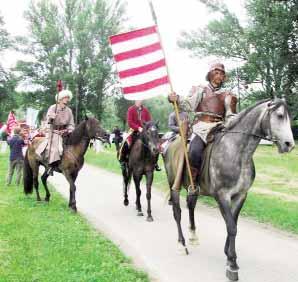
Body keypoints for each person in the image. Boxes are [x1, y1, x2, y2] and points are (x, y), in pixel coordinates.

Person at [168, 63, 237, 193]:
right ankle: (193, 183)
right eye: (217, 73)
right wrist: (176, 98)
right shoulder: (200, 90)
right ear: (210, 74)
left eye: (222, 74)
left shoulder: (228, 94)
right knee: (194, 151)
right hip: (201, 128)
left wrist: (232, 123)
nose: (219, 76)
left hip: (219, 127)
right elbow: (188, 105)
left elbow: (230, 115)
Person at [36, 89, 75, 175]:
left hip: (65, 133)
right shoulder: (53, 107)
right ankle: (51, 166)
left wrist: (69, 129)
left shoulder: (69, 110)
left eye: (68, 98)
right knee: (58, 149)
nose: (67, 99)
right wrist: (51, 118)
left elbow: (71, 124)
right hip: (54, 132)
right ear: (60, 98)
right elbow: (48, 121)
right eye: (66, 97)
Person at [120, 100, 161, 171]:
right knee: (126, 143)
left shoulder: (145, 110)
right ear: (135, 101)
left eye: (140, 100)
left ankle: (155, 163)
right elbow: (130, 122)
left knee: (154, 144)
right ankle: (123, 161)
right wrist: (138, 128)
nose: (139, 101)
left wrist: (146, 128)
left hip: (145, 132)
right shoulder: (131, 109)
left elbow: (149, 121)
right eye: (138, 100)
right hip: (134, 131)